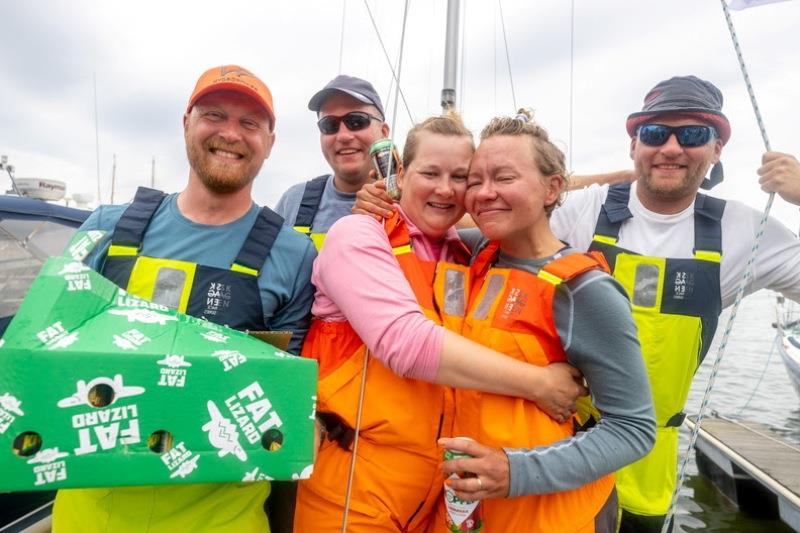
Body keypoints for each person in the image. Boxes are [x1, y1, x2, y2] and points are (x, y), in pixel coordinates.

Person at [356, 76, 800, 532]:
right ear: (634, 143)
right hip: (482, 494)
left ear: (717, 147)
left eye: (690, 135)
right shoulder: (483, 250)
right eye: (653, 133)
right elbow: (435, 218)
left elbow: (632, 427)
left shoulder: (732, 234)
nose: (670, 147)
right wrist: (383, 203)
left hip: (602, 477)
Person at [293, 113, 592, 533]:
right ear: (399, 173)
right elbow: (405, 343)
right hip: (353, 490)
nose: (445, 189)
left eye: (461, 176)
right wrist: (541, 384)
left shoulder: (465, 251)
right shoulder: (358, 235)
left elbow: (525, 207)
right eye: (430, 173)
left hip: (438, 497)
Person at [52, 65, 317, 532]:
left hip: (225, 516)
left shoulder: (294, 255)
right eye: (214, 115)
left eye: (250, 123)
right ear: (186, 122)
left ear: (270, 142)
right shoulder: (105, 228)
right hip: (92, 511)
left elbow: (287, 401)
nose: (231, 134)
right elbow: (48, 357)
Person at [427, 114, 654, 532]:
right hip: (468, 512)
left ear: (552, 188)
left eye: (504, 177)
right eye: (474, 181)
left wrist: (515, 471)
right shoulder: (473, 251)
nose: (484, 193)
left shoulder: (585, 290)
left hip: (550, 516)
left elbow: (634, 429)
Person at [274, 75, 389, 250]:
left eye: (357, 121)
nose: (343, 136)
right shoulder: (293, 202)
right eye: (329, 125)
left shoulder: (415, 203)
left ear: (384, 132)